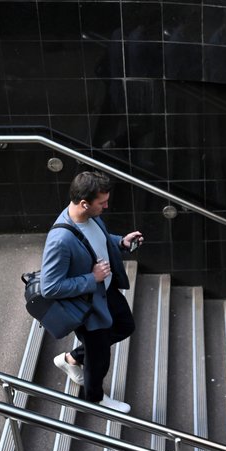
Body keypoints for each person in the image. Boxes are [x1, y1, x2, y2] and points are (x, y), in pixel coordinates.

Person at [41, 171, 143, 413]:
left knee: (125, 326)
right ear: (84, 203)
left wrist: (121, 242)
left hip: (105, 292)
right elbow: (50, 287)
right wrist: (92, 278)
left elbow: (99, 239)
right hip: (88, 305)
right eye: (102, 202)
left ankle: (72, 359)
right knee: (99, 357)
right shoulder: (60, 240)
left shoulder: (90, 217)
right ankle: (95, 398)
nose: (106, 206)